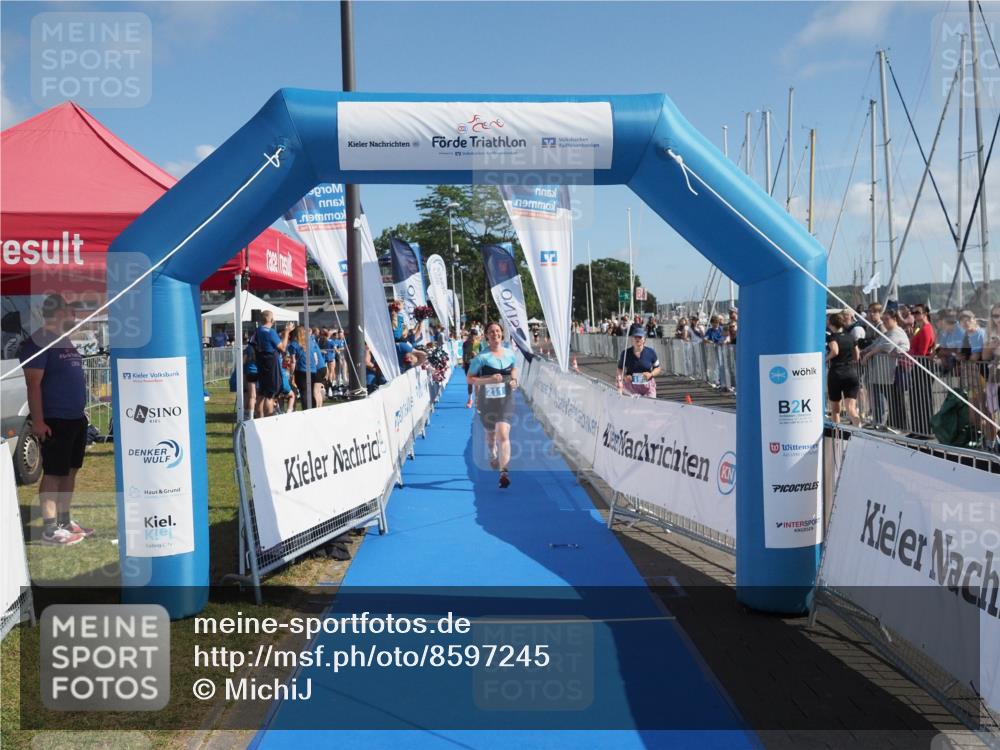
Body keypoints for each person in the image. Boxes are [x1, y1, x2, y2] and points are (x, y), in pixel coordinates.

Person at [18, 295, 93, 545]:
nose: (74, 315)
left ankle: (63, 520)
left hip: (75, 418)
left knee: (70, 471)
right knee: (53, 473)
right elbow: (33, 384)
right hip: (54, 419)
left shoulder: (64, 339)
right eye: (71, 310)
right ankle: (50, 529)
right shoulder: (38, 342)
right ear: (60, 311)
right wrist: (38, 422)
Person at [467, 322, 519, 489]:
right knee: (491, 436)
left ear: (501, 334)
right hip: (487, 401)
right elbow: (470, 378)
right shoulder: (481, 358)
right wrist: (489, 380)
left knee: (503, 433)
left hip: (506, 399)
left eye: (497, 331)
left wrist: (514, 380)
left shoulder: (510, 353)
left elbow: (514, 369)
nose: (495, 333)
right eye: (491, 331)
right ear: (486, 336)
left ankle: (504, 473)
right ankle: (492, 452)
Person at [861, 310, 910, 428]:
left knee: (892, 401)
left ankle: (895, 424)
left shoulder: (897, 332)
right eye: (883, 320)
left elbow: (887, 346)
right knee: (878, 399)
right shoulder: (887, 332)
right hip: (880, 373)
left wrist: (869, 354)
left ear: (894, 319)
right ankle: (879, 422)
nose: (885, 322)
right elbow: (876, 343)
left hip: (889, 373)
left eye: (887, 319)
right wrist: (865, 351)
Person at [826, 312, 861, 426]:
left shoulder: (832, 337)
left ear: (831, 324)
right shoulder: (850, 336)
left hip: (837, 373)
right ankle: (859, 431)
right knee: (851, 409)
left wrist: (825, 359)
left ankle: (837, 436)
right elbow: (857, 355)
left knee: (835, 410)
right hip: (851, 372)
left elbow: (835, 351)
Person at [253, 313, 290, 418]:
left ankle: (259, 418)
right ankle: (268, 418)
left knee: (261, 394)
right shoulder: (271, 332)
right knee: (270, 395)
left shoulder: (258, 330)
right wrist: (286, 332)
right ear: (271, 319)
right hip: (271, 364)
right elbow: (282, 347)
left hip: (261, 364)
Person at [616, 326, 661, 398]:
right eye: (635, 337)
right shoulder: (625, 353)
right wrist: (623, 377)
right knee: (633, 407)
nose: (637, 339)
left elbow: (658, 368)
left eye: (640, 337)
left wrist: (651, 374)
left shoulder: (651, 352)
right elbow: (619, 369)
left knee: (650, 406)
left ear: (644, 339)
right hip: (632, 386)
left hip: (648, 385)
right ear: (632, 339)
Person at [462, 327, 482, 408]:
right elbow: (463, 354)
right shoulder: (465, 344)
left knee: (477, 384)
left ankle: (477, 400)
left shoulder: (479, 344)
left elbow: (482, 356)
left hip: (476, 365)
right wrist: (463, 363)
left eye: (475, 335)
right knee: (470, 383)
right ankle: (470, 399)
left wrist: (476, 355)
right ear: (470, 335)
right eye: (472, 335)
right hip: (468, 364)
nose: (473, 337)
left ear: (476, 336)